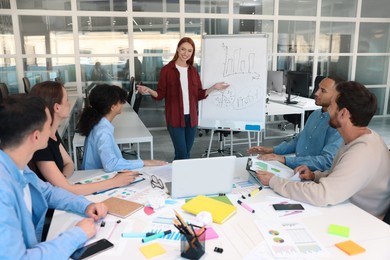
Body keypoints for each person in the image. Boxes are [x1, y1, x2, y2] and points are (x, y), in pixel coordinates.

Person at [256, 81, 390, 219]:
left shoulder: (362, 152)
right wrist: (315, 176)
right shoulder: (356, 138)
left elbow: (322, 195)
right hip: (345, 206)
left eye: (331, 105)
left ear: (343, 113)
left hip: (362, 220)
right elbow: (340, 176)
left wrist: (274, 181)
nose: (328, 110)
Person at [0, 94, 108, 259]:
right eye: (49, 124)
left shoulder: (16, 164)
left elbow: (48, 192)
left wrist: (85, 205)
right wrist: (78, 234)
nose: (52, 129)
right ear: (36, 137)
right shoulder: (2, 190)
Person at [29, 81, 140, 195]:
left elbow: (69, 164)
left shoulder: (52, 133)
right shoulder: (41, 144)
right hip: (52, 208)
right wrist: (114, 182)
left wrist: (62, 179)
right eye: (67, 99)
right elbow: (68, 190)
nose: (69, 103)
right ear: (57, 107)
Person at [137, 37, 229, 160]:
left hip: (191, 119)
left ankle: (179, 176)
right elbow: (160, 95)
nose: (186, 53)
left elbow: (199, 95)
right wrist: (148, 90)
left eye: (189, 51)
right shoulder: (167, 70)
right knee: (182, 154)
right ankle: (183, 177)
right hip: (175, 119)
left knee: (185, 153)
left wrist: (214, 87)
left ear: (192, 53)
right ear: (177, 50)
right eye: (183, 49)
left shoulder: (193, 71)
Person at [248, 76, 344, 171]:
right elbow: (299, 141)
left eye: (323, 91)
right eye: (318, 88)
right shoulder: (315, 114)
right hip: (297, 168)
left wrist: (285, 160)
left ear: (337, 96)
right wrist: (271, 150)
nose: (316, 93)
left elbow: (327, 161)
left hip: (313, 175)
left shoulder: (337, 124)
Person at [78, 84, 167, 171]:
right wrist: (144, 162)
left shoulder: (97, 123)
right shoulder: (103, 131)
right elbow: (110, 165)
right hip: (96, 177)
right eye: (120, 102)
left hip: (95, 173)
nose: (123, 104)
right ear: (112, 107)